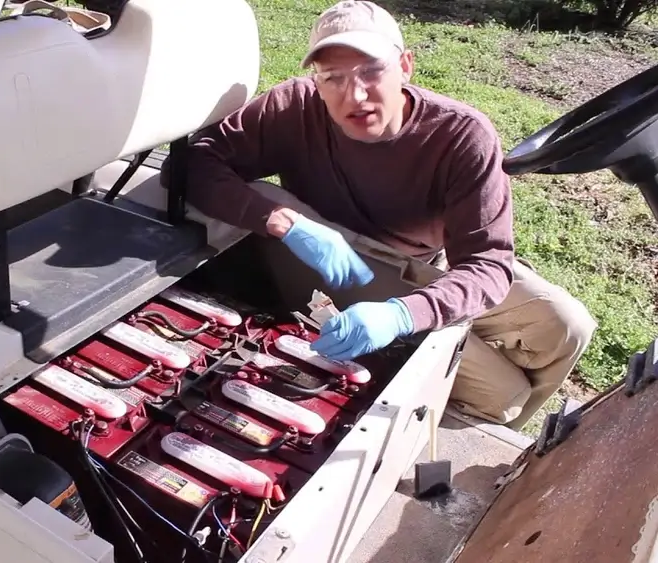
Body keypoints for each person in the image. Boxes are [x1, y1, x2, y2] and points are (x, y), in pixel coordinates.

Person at [168, 0, 597, 430]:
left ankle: (505, 443)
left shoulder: (461, 136)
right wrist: (286, 222)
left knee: (568, 327)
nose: (353, 95)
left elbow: (488, 264)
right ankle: (440, 427)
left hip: (426, 264)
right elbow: (193, 165)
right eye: (332, 77)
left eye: (371, 71)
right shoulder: (294, 106)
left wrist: (403, 314)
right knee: (502, 397)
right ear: (316, 81)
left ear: (405, 65)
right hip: (344, 271)